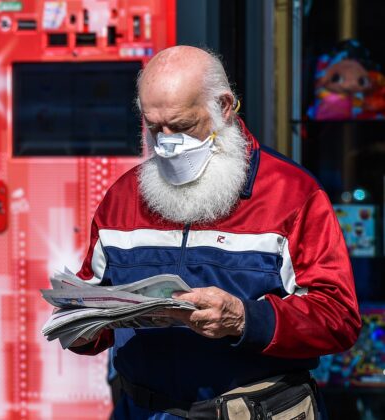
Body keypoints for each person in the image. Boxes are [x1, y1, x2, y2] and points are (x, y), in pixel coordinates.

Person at [69, 46, 361, 419]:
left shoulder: (291, 194)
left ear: (223, 107)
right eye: (154, 128)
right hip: (141, 408)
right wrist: (77, 322)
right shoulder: (124, 197)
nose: (167, 143)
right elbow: (90, 306)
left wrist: (243, 317)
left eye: (183, 126)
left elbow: (338, 317)